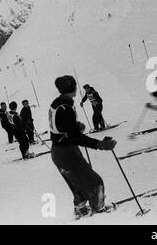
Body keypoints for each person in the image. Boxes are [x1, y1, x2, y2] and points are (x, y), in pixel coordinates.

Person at [50, 75, 117, 218]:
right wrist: (99, 144)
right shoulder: (65, 107)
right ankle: (99, 209)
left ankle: (80, 207)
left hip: (58, 152)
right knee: (94, 182)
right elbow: (75, 136)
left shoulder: (57, 103)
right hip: (67, 152)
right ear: (74, 88)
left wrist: (73, 127)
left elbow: (60, 127)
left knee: (76, 181)